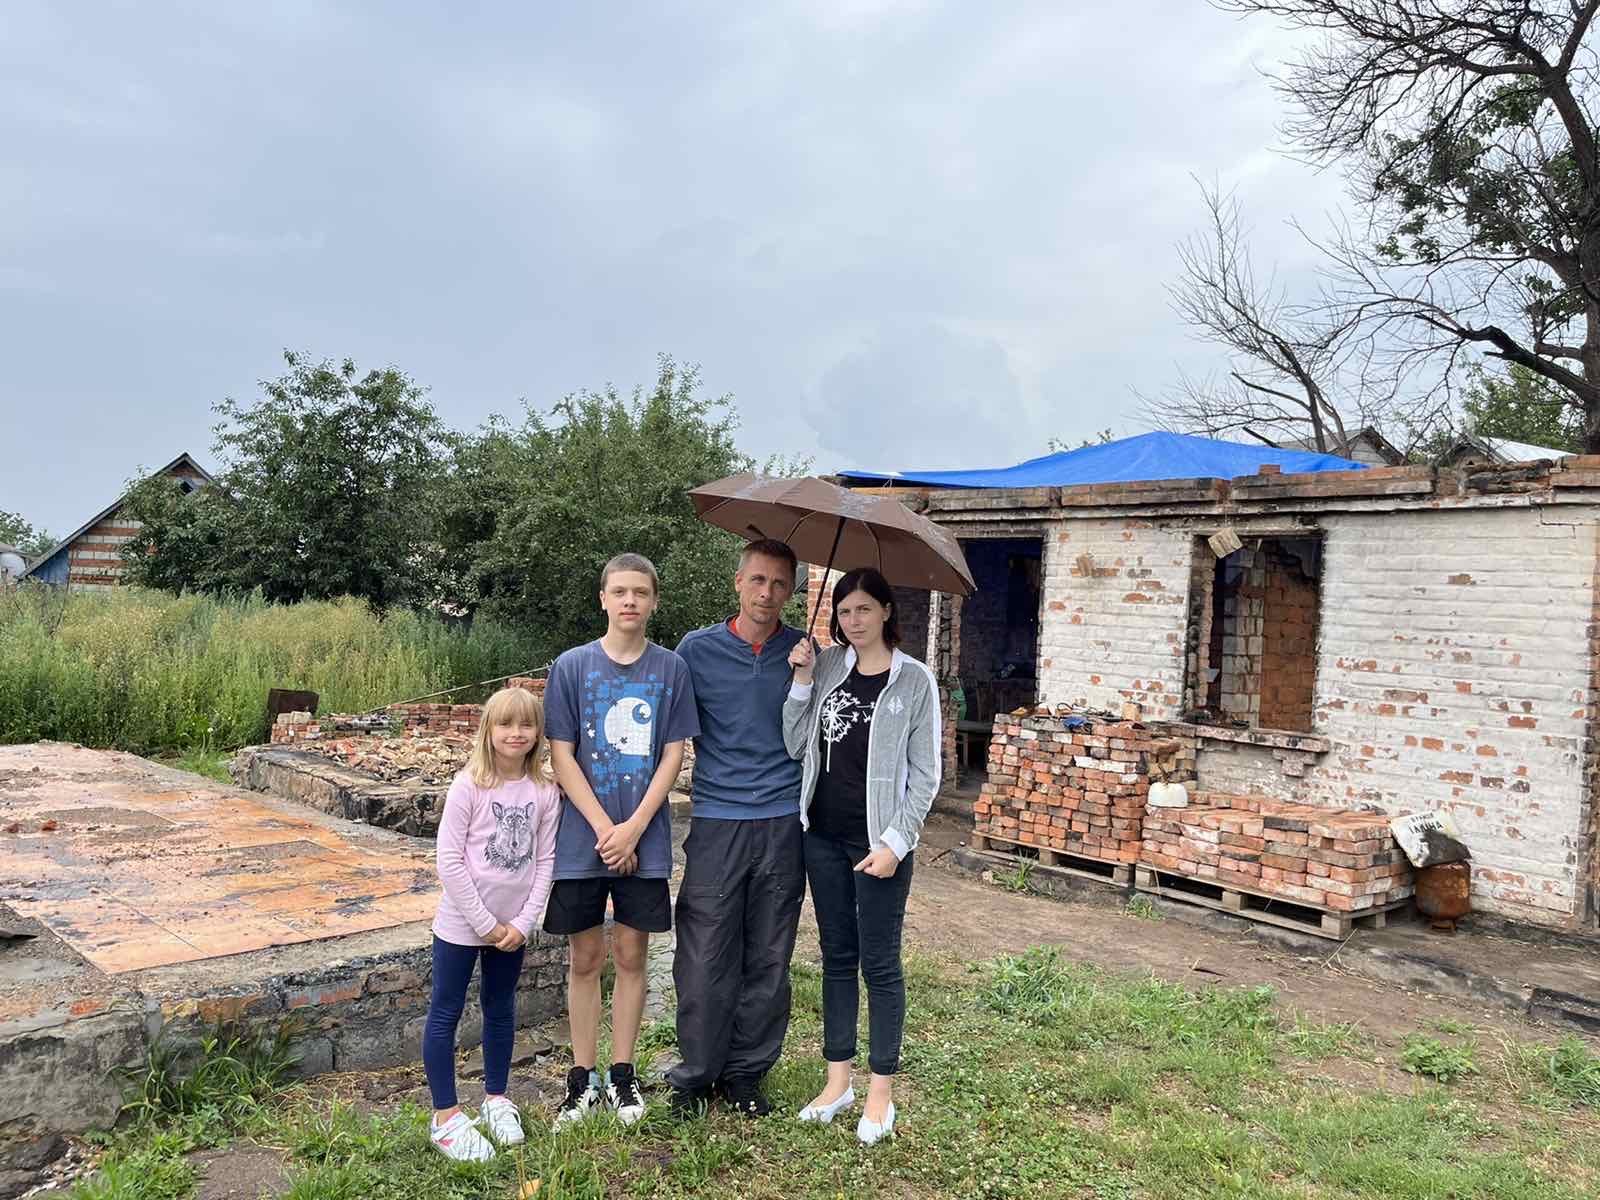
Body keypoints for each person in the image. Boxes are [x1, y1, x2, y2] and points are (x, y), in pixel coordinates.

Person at [784, 566, 940, 1146]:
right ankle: (836, 1083)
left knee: (879, 962)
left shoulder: (913, 681)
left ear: (886, 612)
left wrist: (896, 844)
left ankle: (880, 1092)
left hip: (878, 845)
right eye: (845, 612)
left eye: (864, 610)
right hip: (820, 834)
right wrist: (802, 681)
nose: (853, 621)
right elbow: (794, 743)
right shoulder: (827, 667)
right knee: (835, 957)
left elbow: (927, 774)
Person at [543, 552, 699, 1129]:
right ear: (603, 599)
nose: (630, 601)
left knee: (632, 954)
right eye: (620, 591)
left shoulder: (670, 671)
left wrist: (633, 827)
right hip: (583, 841)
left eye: (641, 592)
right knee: (584, 957)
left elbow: (672, 754)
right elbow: (561, 753)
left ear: (654, 601)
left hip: (646, 838)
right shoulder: (572, 667)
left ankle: (622, 1074)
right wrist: (606, 829)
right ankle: (580, 1080)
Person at [668, 538, 806, 1118]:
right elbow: (670, 734)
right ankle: (697, 1074)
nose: (767, 593)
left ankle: (747, 1073)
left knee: (769, 952)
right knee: (704, 951)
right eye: (758, 580)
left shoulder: (806, 651)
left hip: (782, 822)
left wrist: (804, 674)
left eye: (779, 583)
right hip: (718, 819)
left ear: (792, 590)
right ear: (737, 581)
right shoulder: (695, 651)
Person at [424, 685, 560, 1162]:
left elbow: (545, 860)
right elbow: (449, 861)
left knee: (500, 1008)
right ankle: (444, 1115)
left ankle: (497, 1099)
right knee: (446, 1011)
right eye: (506, 724)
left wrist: (524, 922)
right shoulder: (470, 785)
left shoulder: (545, 790)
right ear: (489, 729)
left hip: (514, 928)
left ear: (538, 732)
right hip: (463, 925)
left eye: (526, 724)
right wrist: (485, 923)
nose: (516, 733)